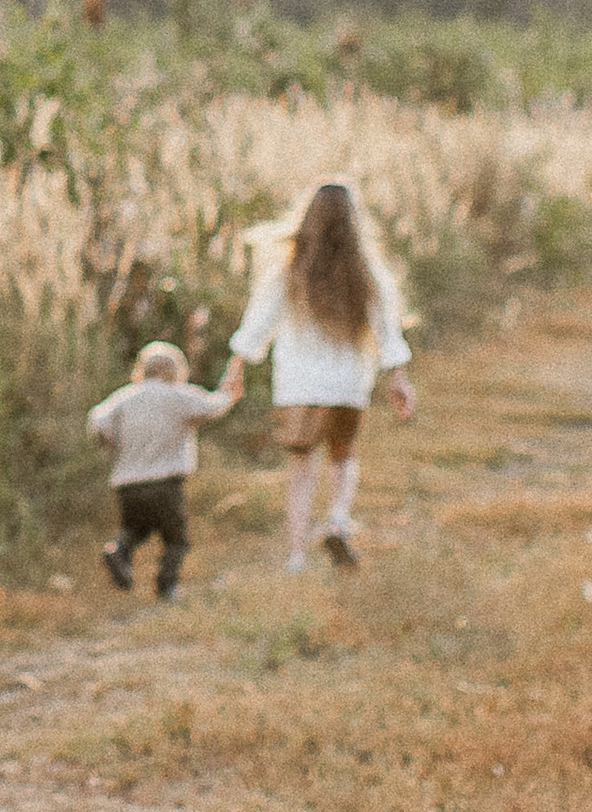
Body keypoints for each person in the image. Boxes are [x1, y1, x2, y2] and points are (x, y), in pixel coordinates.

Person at [224, 179, 414, 574]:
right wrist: (398, 377)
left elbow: (259, 321)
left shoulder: (289, 268)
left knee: (301, 468)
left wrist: (235, 368)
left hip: (298, 385)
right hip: (347, 386)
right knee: (342, 457)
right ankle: (337, 519)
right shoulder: (366, 272)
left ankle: (296, 556)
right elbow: (386, 330)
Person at [85, 339, 239, 600]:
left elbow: (97, 420)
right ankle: (166, 586)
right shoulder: (178, 395)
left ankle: (118, 552)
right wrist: (229, 390)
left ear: (141, 369)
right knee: (176, 540)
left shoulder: (124, 397)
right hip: (165, 483)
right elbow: (214, 406)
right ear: (176, 370)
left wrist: (109, 440)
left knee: (135, 530)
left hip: (127, 484)